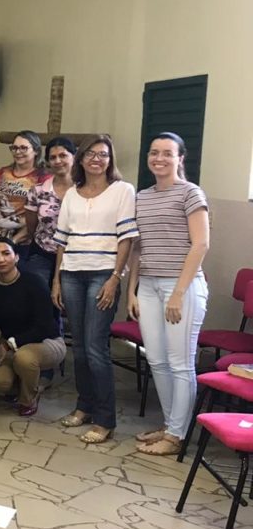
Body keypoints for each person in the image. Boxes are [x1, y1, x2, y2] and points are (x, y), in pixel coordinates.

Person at [127, 133, 209, 456]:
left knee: (180, 362)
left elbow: (201, 244)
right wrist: (132, 290)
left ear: (180, 159)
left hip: (182, 287)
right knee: (157, 360)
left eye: (167, 153)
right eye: (154, 152)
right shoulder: (142, 197)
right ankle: (171, 424)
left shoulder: (190, 193)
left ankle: (177, 436)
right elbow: (138, 247)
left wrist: (178, 292)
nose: (159, 158)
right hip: (148, 286)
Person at [52, 134, 137, 445]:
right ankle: (84, 406)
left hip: (103, 274)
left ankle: (105, 420)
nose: (96, 159)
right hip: (72, 273)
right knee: (80, 348)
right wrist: (57, 280)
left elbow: (126, 239)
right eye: (90, 153)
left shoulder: (122, 190)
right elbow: (62, 241)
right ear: (81, 159)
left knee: (95, 347)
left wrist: (116, 278)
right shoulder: (71, 194)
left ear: (110, 160)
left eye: (103, 154)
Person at [0, 238, 65, 416]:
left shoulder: (34, 282)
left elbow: (44, 325)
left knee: (24, 358)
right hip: (12, 341)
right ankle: (19, 387)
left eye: (6, 253)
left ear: (17, 257)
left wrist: (7, 344)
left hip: (46, 340)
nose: (1, 259)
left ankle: (29, 399)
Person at [0, 130, 48, 260]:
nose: (18, 152)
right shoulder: (3, 172)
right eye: (14, 148)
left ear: (36, 151)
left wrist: (13, 241)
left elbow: (40, 215)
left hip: (22, 243)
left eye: (23, 148)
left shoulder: (42, 177)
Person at [23, 137, 77, 286]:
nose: (58, 161)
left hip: (75, 254)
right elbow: (31, 226)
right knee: (36, 290)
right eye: (53, 157)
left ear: (74, 157)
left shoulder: (84, 190)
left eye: (63, 155)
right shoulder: (38, 190)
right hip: (43, 251)